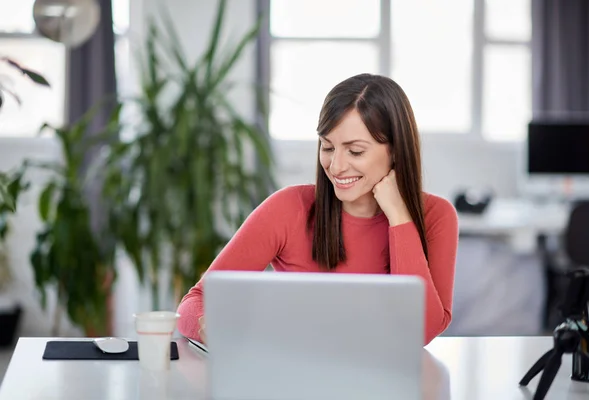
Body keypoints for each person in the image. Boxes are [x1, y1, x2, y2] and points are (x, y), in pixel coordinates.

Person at [176, 73, 459, 346]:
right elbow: (196, 301)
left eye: (355, 151)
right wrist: (208, 324)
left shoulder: (436, 216)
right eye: (327, 147)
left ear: (396, 150)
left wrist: (399, 217)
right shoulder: (288, 209)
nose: (335, 167)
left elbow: (421, 331)